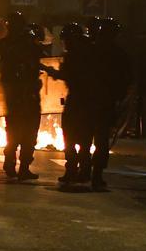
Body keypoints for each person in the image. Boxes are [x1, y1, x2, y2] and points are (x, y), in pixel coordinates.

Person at [0, 11, 43, 180]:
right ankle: (21, 166)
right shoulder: (28, 44)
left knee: (16, 130)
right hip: (27, 95)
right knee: (27, 132)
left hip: (17, 94)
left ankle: (12, 163)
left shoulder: (5, 44)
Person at [42, 23, 95, 184]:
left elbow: (69, 75)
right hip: (88, 101)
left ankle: (72, 170)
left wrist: (51, 71)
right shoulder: (89, 53)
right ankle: (84, 171)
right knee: (84, 140)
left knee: (70, 137)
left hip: (78, 100)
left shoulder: (75, 55)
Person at [88, 17, 133, 190]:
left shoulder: (92, 51)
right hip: (104, 103)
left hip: (93, 102)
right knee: (100, 140)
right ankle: (95, 174)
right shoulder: (118, 54)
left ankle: (85, 171)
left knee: (86, 138)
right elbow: (126, 80)